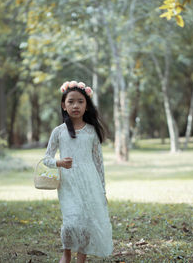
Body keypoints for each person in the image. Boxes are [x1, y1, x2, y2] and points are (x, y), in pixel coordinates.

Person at [43, 80, 113, 263]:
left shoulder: (91, 132)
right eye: (71, 101)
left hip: (90, 183)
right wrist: (59, 162)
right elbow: (46, 159)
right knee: (71, 221)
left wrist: (102, 190)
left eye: (80, 102)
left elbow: (99, 164)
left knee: (87, 223)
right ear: (63, 105)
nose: (76, 105)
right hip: (68, 183)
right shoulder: (58, 132)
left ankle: (81, 259)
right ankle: (66, 255)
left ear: (87, 106)